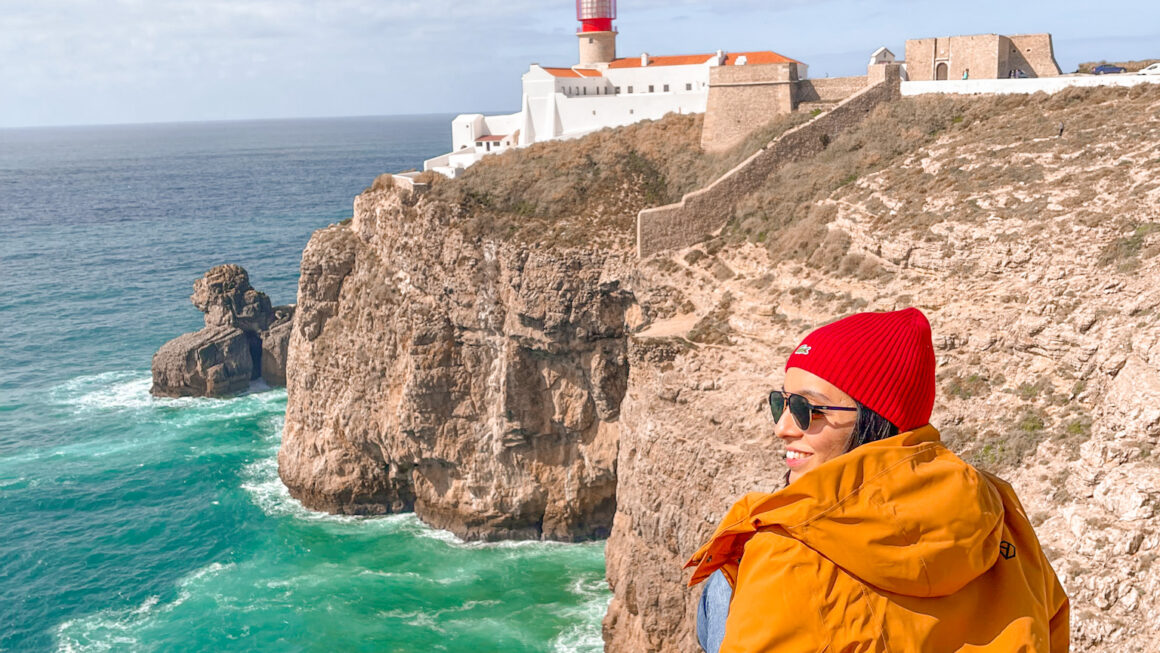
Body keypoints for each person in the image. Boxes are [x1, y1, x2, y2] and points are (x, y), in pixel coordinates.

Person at [687, 308, 1069, 652]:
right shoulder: (1001, 512)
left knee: (723, 587)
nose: (782, 428)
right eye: (781, 402)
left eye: (807, 409)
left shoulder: (787, 552)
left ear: (875, 420)